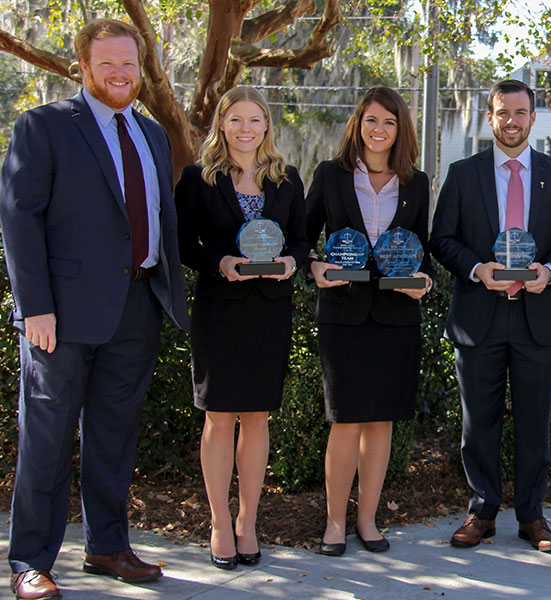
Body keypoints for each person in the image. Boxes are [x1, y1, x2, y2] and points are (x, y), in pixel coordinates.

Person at [0, 18, 189, 599]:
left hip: (138, 304)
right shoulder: (46, 126)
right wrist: (35, 307)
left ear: (141, 68)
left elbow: (160, 217)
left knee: (113, 436)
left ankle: (107, 546)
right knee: (48, 437)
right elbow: (18, 217)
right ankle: (31, 560)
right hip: (61, 314)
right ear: (82, 67)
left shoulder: (152, 134)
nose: (119, 74)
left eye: (128, 64)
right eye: (107, 64)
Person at [430, 79, 551, 553]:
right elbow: (442, 238)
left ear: (533, 117)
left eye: (520, 113)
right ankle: (481, 511)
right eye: (503, 113)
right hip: (480, 315)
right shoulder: (463, 173)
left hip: (537, 315)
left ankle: (532, 516)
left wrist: (550, 270)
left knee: (536, 423)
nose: (512, 121)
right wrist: (478, 269)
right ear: (490, 116)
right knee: (479, 422)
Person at [174, 86, 309, 569]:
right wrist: (220, 261)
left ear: (267, 126)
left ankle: (248, 522)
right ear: (222, 125)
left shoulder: (286, 177)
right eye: (236, 120)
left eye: (255, 120)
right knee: (218, 417)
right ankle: (217, 521)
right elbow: (184, 243)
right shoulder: (198, 178)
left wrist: (293, 262)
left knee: (256, 418)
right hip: (219, 311)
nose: (246, 129)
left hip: (269, 311)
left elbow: (301, 237)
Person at [304, 87, 432, 556]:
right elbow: (302, 236)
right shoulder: (330, 176)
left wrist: (424, 282)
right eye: (371, 120)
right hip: (343, 314)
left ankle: (368, 520)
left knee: (381, 423)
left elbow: (425, 250)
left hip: (397, 317)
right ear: (357, 124)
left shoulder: (416, 183)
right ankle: (334, 523)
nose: (379, 130)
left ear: (401, 130)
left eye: (389, 122)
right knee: (345, 420)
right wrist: (315, 266)